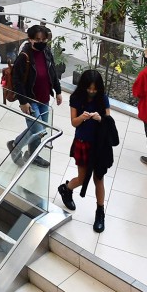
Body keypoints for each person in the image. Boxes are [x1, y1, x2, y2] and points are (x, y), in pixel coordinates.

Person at [56, 69, 116, 233]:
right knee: (82, 178)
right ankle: (66, 189)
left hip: (99, 146)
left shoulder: (103, 98)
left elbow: (108, 121)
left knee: (99, 179)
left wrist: (99, 118)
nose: (91, 91)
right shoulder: (76, 98)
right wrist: (83, 117)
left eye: (94, 89)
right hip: (82, 143)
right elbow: (74, 123)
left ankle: (100, 212)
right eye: (89, 88)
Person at [8, 25, 62, 168]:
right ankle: (15, 145)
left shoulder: (47, 52)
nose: (41, 42)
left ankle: (33, 154)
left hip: (44, 98)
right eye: (38, 39)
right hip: (30, 101)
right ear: (30, 39)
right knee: (39, 130)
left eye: (44, 39)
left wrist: (58, 91)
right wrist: (23, 101)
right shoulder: (24, 56)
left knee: (38, 130)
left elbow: (53, 72)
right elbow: (17, 80)